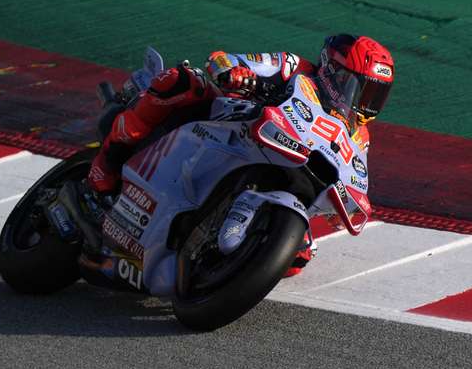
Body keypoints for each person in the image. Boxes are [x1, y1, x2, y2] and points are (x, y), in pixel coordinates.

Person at [87, 34, 394, 275]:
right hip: (231, 126)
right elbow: (223, 60)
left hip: (281, 171)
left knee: (296, 258)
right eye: (361, 89)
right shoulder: (293, 67)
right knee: (182, 81)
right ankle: (107, 162)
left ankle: (208, 259)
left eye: (375, 96)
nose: (365, 103)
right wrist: (233, 73)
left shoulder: (358, 135)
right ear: (334, 71)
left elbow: (353, 178)